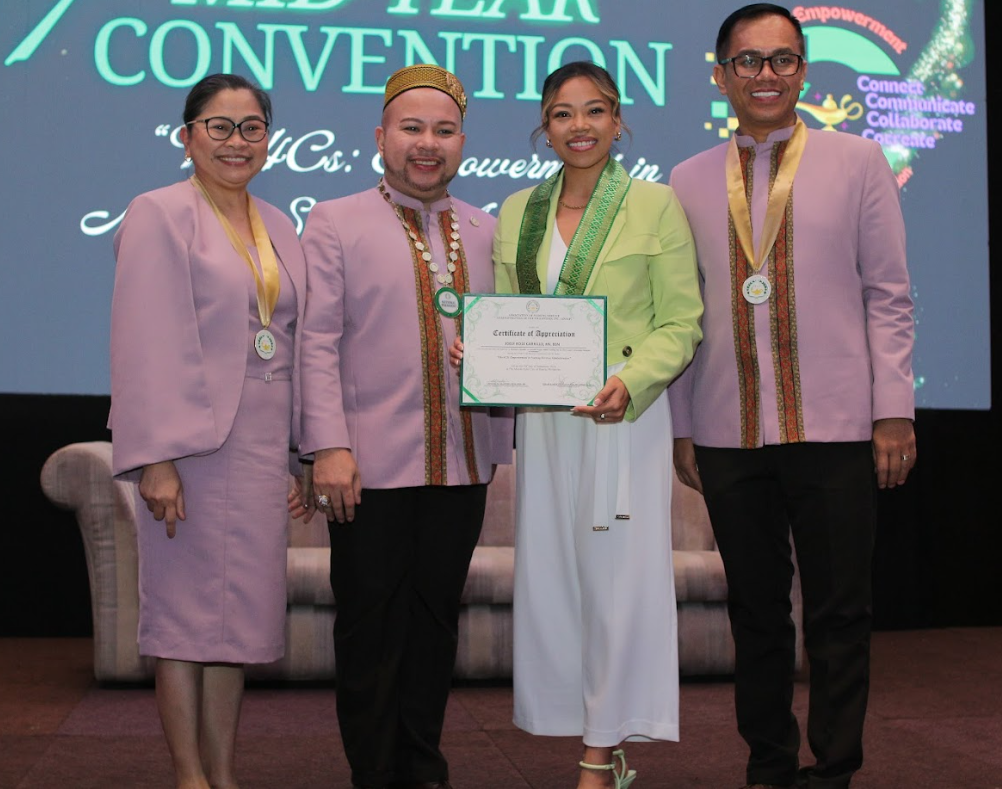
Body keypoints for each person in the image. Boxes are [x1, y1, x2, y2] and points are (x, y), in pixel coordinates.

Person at [667, 5, 917, 789]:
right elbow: (681, 310)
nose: (766, 75)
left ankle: (834, 764)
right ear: (721, 75)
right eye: (749, 62)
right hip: (726, 429)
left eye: (782, 60)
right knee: (757, 614)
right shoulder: (687, 178)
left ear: (803, 71)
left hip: (837, 427)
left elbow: (890, 295)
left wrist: (893, 410)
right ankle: (768, 763)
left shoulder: (858, 161)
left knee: (841, 611)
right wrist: (681, 423)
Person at [483, 61, 703, 789]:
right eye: (562, 113)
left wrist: (631, 381)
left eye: (595, 111)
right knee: (556, 580)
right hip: (546, 423)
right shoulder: (517, 210)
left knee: (617, 582)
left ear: (619, 120)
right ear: (543, 126)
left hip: (622, 419)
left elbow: (682, 321)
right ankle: (576, 723)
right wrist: (479, 351)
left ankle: (600, 751)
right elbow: (511, 315)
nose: (579, 126)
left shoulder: (655, 205)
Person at [298, 64, 513, 789]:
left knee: (434, 624)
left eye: (444, 131)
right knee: (368, 626)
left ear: (462, 142)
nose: (428, 144)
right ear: (381, 136)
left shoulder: (488, 228)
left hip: (463, 466)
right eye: (412, 129)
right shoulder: (335, 219)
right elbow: (317, 341)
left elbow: (516, 338)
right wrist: (327, 445)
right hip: (368, 467)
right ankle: (373, 770)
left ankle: (423, 764)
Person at [109, 73, 308, 789]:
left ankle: (224, 774)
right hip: (189, 449)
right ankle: (189, 775)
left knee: (237, 629)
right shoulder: (158, 213)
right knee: (185, 624)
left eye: (252, 127)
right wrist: (155, 458)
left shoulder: (281, 224)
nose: (236, 142)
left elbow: (293, 341)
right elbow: (144, 339)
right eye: (219, 127)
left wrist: (300, 456)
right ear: (186, 135)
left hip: (258, 449)